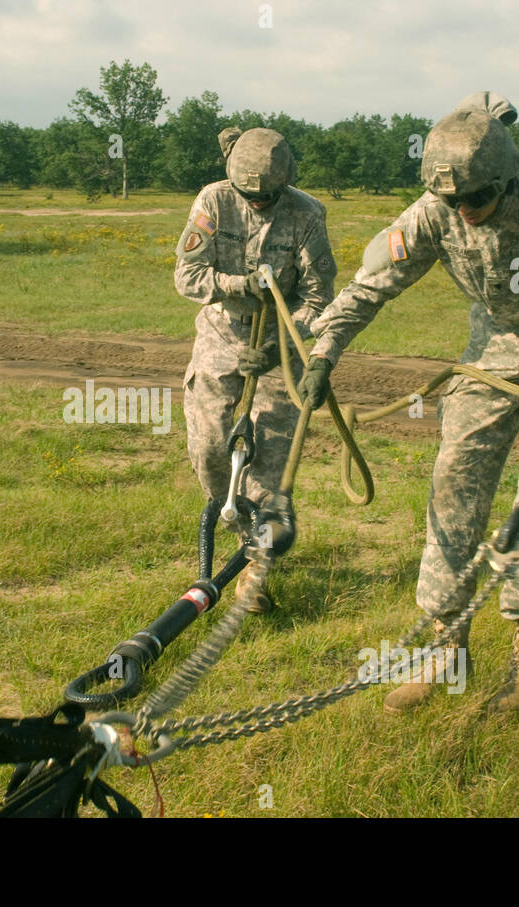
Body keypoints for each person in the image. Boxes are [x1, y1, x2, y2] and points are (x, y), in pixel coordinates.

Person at [300, 91, 519, 714]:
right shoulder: (434, 211)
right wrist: (325, 350)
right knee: (454, 481)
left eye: (477, 199)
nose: (464, 213)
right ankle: (446, 651)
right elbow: (368, 287)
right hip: (492, 347)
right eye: (451, 201)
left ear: (506, 179)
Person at [173, 126, 337, 613]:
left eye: (268, 197)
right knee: (209, 447)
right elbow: (187, 275)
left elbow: (318, 299)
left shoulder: (308, 214)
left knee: (268, 463)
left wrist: (281, 347)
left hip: (277, 346)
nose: (258, 204)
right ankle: (234, 519)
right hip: (222, 334)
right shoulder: (214, 201)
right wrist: (240, 285)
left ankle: (256, 569)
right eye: (250, 196)